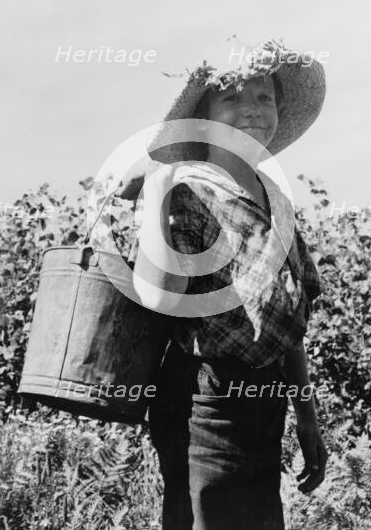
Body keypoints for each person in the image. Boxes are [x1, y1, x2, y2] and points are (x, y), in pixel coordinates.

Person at [119, 40, 328, 530]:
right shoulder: (185, 187)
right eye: (232, 98)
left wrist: (306, 413)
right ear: (205, 114)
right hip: (204, 398)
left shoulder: (275, 197)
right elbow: (157, 294)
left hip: (266, 397)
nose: (252, 112)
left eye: (264, 98)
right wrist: (156, 186)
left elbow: (289, 320)